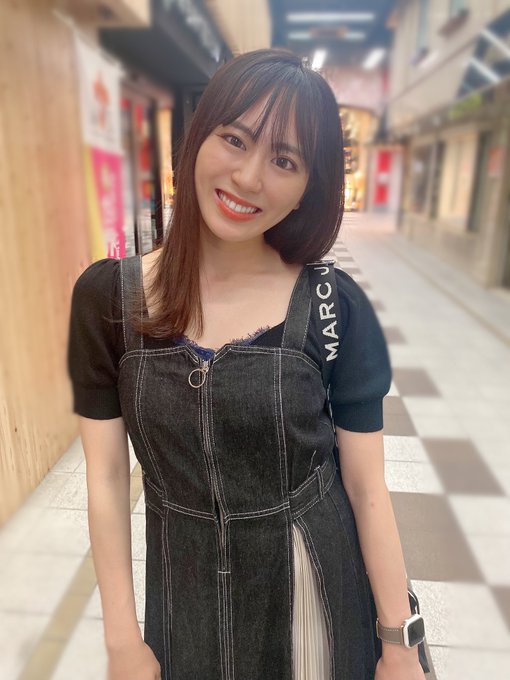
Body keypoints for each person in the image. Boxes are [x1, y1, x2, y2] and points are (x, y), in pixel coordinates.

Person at [68, 49, 426, 680]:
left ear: (308, 188)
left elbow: (368, 489)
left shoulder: (332, 305)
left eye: (284, 160)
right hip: (184, 604)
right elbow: (105, 478)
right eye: (234, 139)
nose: (249, 177)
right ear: (196, 138)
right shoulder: (107, 300)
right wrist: (122, 641)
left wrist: (398, 644)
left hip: (316, 592)